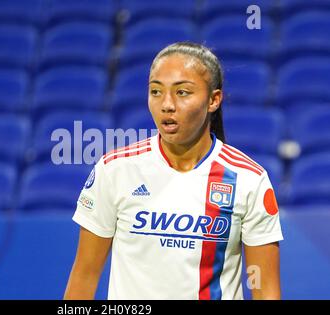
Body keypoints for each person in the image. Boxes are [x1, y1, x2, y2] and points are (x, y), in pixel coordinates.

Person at [64, 42, 283, 300]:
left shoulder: (249, 180)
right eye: (156, 91)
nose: (166, 104)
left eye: (182, 92)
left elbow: (265, 291)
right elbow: (83, 279)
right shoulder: (114, 170)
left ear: (213, 100)